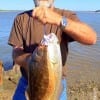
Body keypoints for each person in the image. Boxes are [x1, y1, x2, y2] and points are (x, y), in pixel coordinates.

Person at [8, 0, 97, 100]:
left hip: (55, 83)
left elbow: (91, 38)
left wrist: (59, 20)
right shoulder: (21, 19)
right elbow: (15, 52)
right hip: (27, 82)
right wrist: (29, 61)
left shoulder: (65, 15)